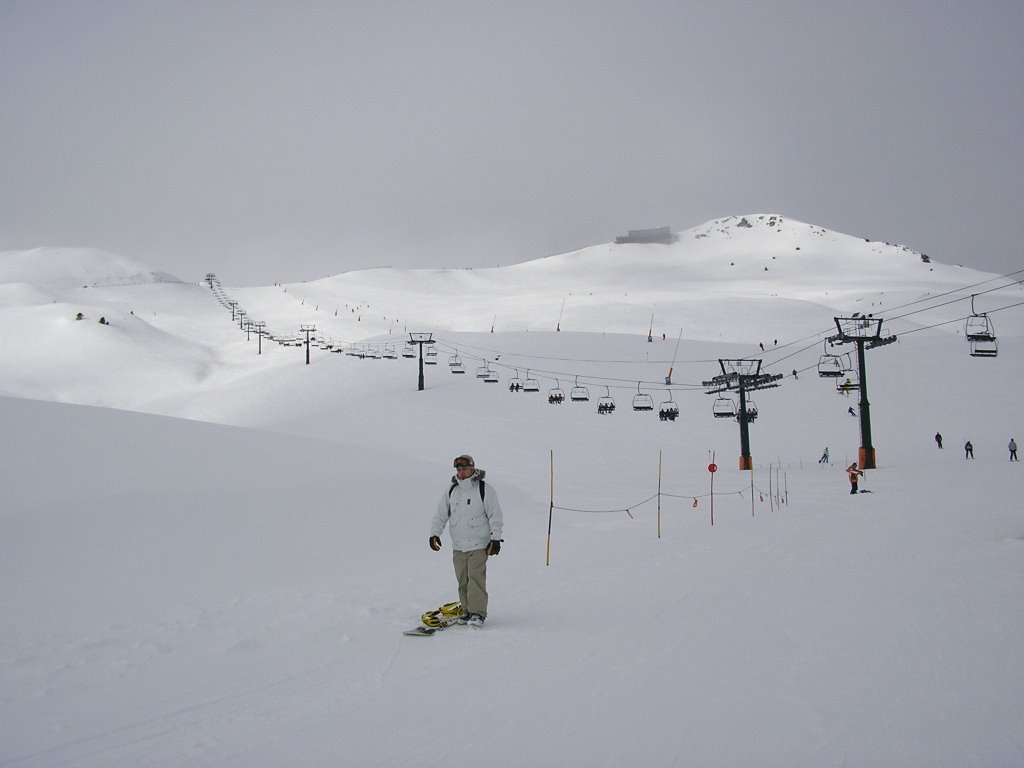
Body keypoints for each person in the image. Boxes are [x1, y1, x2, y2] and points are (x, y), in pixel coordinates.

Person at [429, 455, 503, 627]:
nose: (461, 473)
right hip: (458, 545)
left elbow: (495, 516)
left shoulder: (484, 489)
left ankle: (477, 613)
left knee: (475, 577)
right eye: (458, 470)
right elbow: (441, 515)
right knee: (462, 580)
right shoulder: (452, 491)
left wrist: (496, 539)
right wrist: (434, 534)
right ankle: (467, 611)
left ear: (472, 469)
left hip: (479, 544)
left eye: (464, 469)